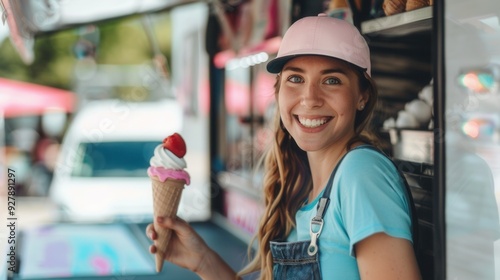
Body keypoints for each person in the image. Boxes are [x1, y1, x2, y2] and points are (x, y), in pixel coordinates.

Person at [146, 14, 421, 279]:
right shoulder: (303, 188)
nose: (310, 98)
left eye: (332, 80)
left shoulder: (361, 174)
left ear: (362, 96)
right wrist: (203, 261)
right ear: (278, 91)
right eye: (296, 79)